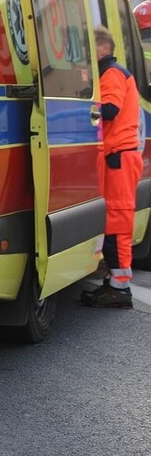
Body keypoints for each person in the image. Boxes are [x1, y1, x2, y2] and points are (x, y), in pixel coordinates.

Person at [81, 25, 143, 309]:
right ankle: (116, 283)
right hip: (119, 157)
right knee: (116, 221)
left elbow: (109, 110)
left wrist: (81, 107)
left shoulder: (112, 73)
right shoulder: (113, 72)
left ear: (102, 48)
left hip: (119, 157)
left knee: (117, 223)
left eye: (89, 48)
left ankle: (120, 288)